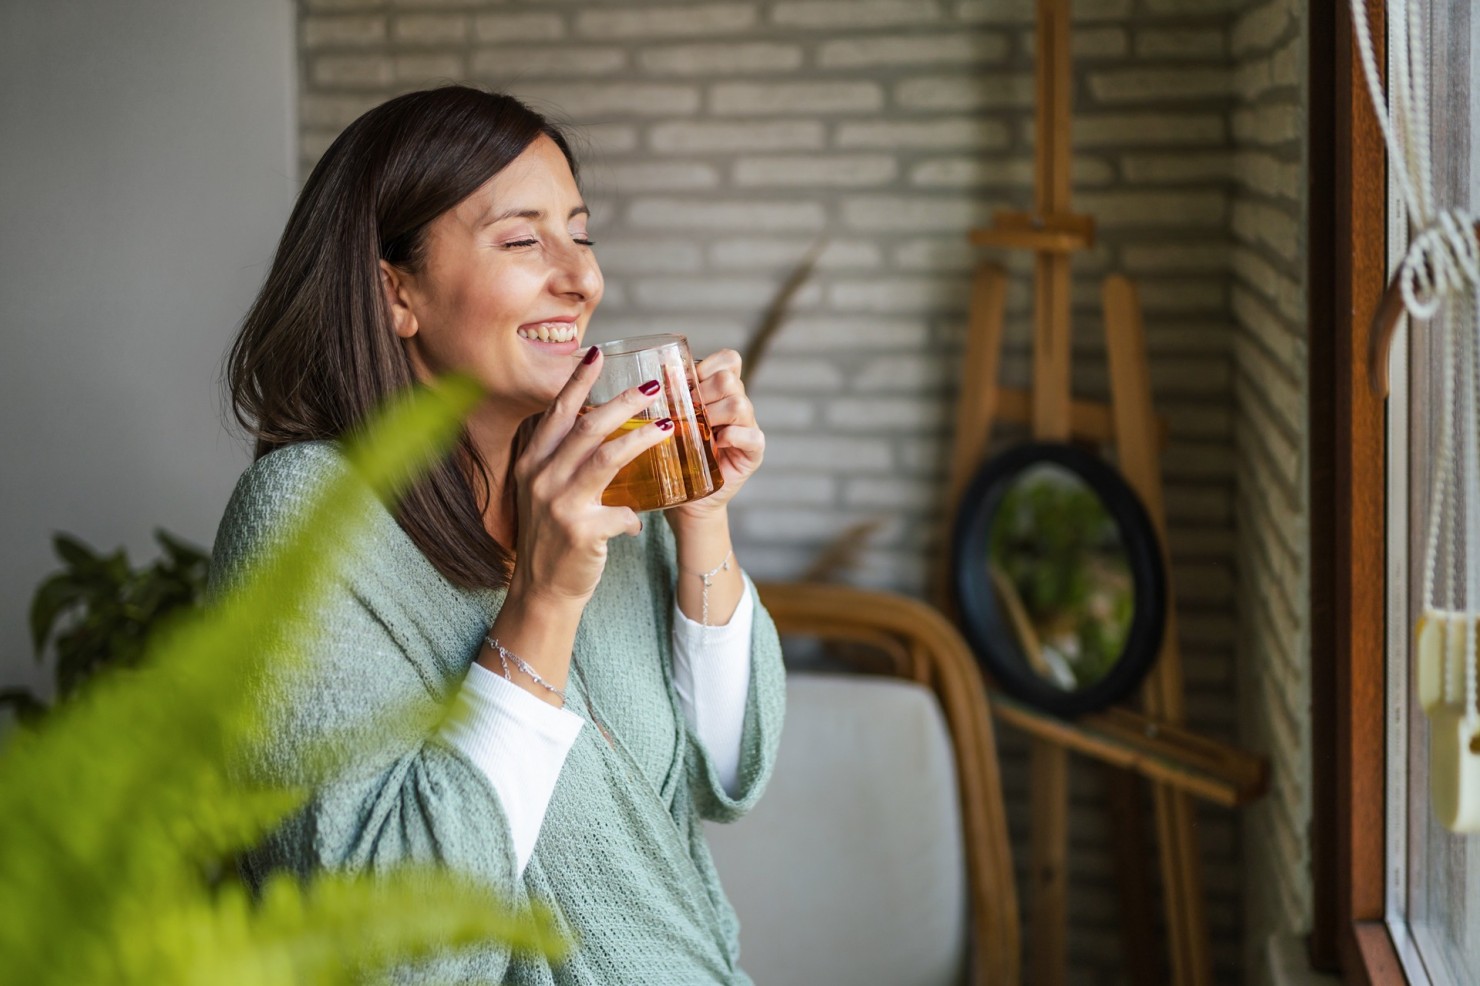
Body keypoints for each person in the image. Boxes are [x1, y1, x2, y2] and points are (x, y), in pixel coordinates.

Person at [209, 85, 785, 984]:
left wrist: (701, 514)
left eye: (581, 234)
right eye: (523, 240)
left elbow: (726, 773)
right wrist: (547, 599)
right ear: (395, 290)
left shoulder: (602, 483)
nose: (582, 278)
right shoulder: (304, 520)